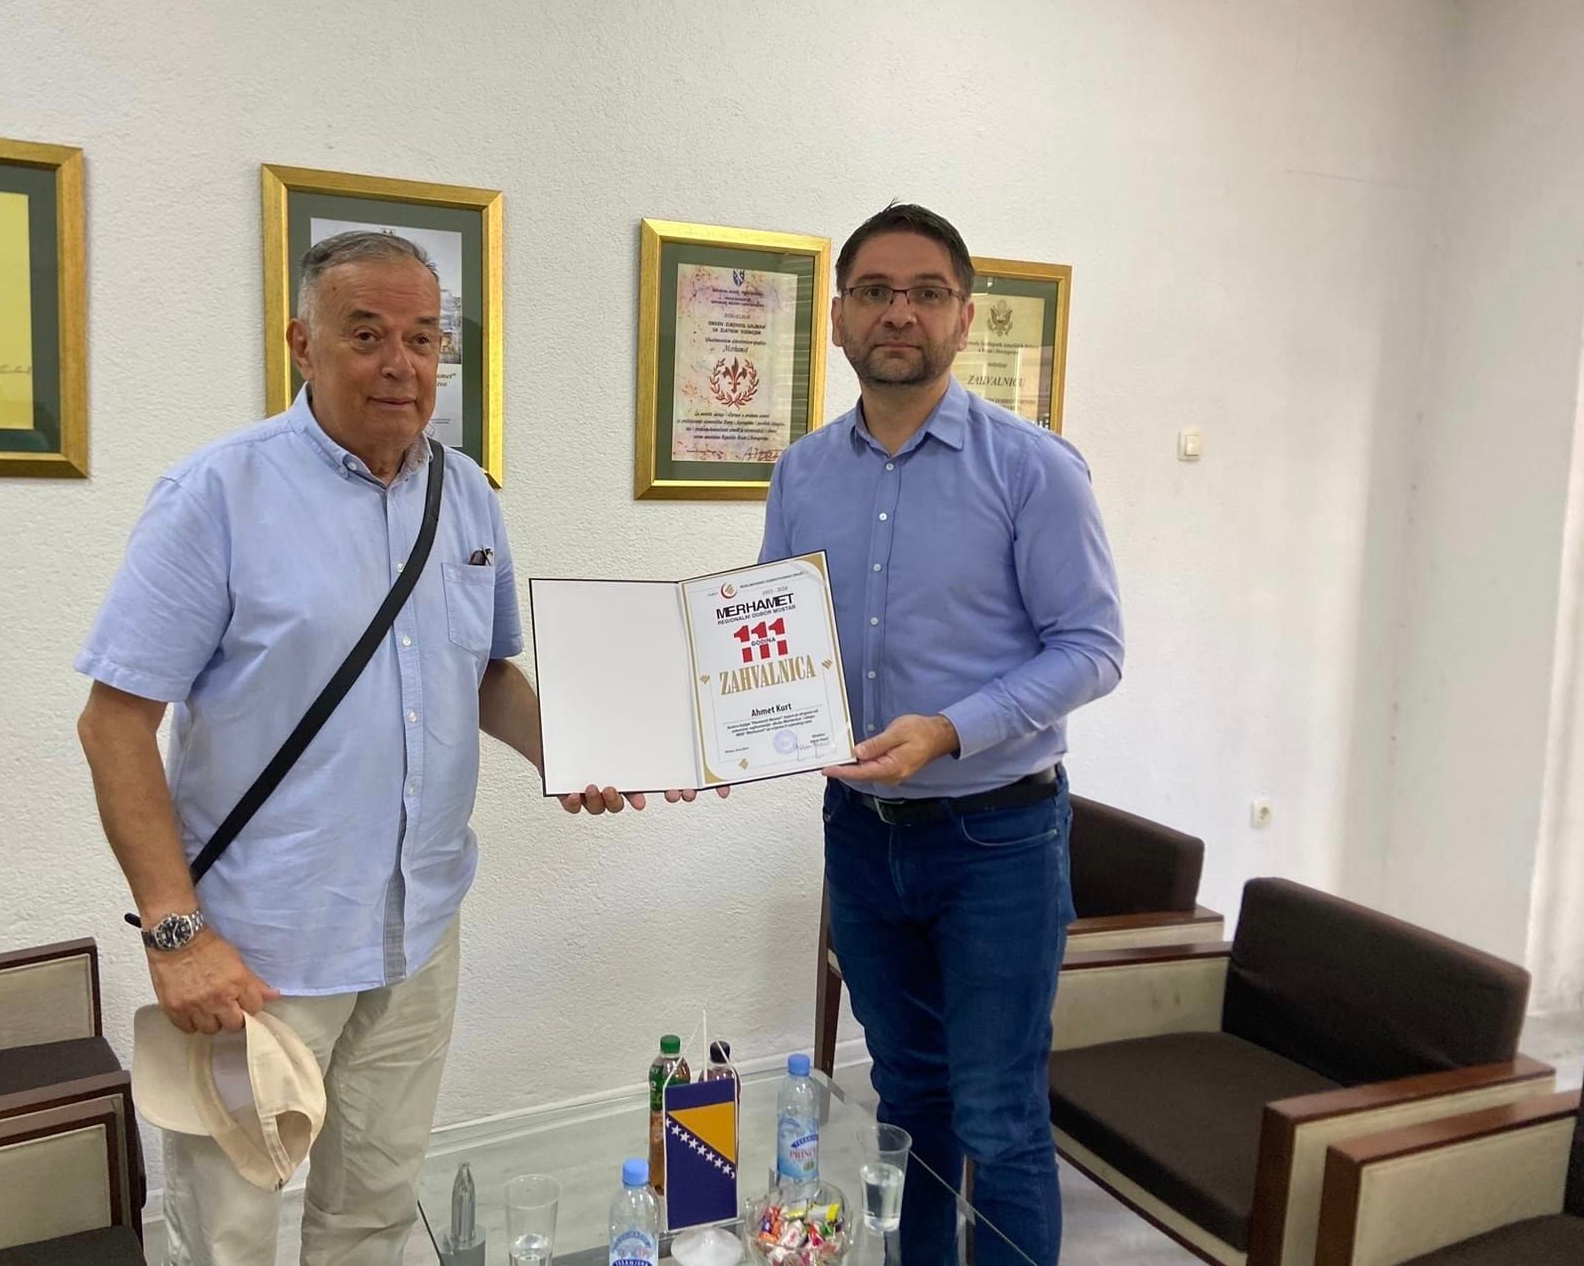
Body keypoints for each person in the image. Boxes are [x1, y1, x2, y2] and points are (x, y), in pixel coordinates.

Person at [76, 230, 693, 1266]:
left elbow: (483, 673)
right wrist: (177, 937)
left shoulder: (467, 495)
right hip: (260, 950)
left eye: (422, 338)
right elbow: (114, 724)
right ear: (302, 344)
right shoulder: (218, 494)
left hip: (417, 935)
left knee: (371, 1216)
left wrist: (579, 752)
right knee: (227, 1236)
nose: (400, 364)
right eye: (365, 335)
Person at [758, 204, 1124, 1264]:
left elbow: (1093, 648)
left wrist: (952, 731)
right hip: (860, 833)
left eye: (926, 293)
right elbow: (770, 636)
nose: (899, 312)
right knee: (907, 1096)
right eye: (875, 291)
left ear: (965, 318)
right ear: (838, 317)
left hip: (996, 839)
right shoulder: (802, 473)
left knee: (1000, 1114)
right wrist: (729, 733)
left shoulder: (1034, 467)